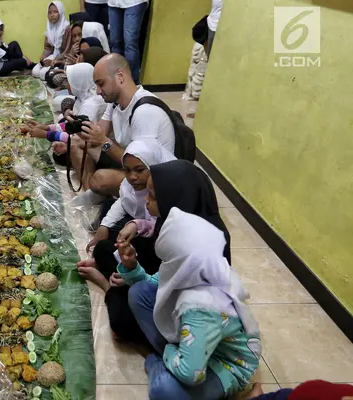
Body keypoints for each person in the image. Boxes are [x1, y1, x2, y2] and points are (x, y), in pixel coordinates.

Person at [119, 208, 261, 400]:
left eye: (169, 259)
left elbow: (191, 374)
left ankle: (157, 361)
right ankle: (178, 355)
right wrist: (132, 268)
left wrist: (171, 350)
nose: (166, 264)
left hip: (224, 365)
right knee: (139, 292)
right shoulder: (201, 265)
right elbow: (152, 286)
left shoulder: (202, 306)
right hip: (196, 339)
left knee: (163, 390)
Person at [75, 139, 175, 344]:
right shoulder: (150, 195)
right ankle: (115, 282)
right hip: (146, 257)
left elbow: (167, 283)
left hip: (159, 284)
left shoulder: (178, 230)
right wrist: (131, 227)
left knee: (123, 322)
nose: (132, 177)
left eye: (139, 170)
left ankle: (107, 285)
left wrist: (134, 277)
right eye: (127, 170)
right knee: (104, 247)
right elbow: (126, 203)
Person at [73, 53, 174, 197]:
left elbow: (140, 165)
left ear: (120, 76)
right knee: (75, 144)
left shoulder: (144, 111)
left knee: (101, 179)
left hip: (150, 174)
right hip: (128, 160)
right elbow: (99, 134)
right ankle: (91, 192)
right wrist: (78, 128)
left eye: (101, 84)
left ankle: (98, 192)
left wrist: (103, 141)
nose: (98, 91)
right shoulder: (114, 102)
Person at [107, 0, 148, 83]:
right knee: (115, 42)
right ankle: (117, 80)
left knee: (130, 42)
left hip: (134, 3)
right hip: (114, 3)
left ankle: (132, 82)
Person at [32, 1, 70, 79]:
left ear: (61, 12)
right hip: (53, 56)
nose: (52, 15)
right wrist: (43, 56)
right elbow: (48, 48)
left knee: (43, 75)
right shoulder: (49, 29)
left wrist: (54, 61)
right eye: (49, 13)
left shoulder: (67, 29)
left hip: (64, 59)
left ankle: (56, 70)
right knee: (35, 72)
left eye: (55, 12)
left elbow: (67, 51)